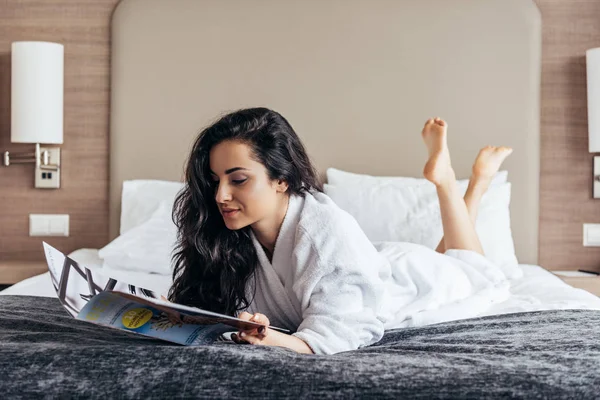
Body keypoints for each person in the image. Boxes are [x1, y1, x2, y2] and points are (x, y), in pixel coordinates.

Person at [168, 107, 513, 355]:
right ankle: (463, 183)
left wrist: (269, 338)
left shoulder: (324, 232)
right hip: (377, 261)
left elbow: (336, 334)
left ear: (282, 179)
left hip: (414, 281)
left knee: (469, 265)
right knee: (456, 253)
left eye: (238, 179)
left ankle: (463, 182)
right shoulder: (233, 235)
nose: (220, 196)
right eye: (215, 181)